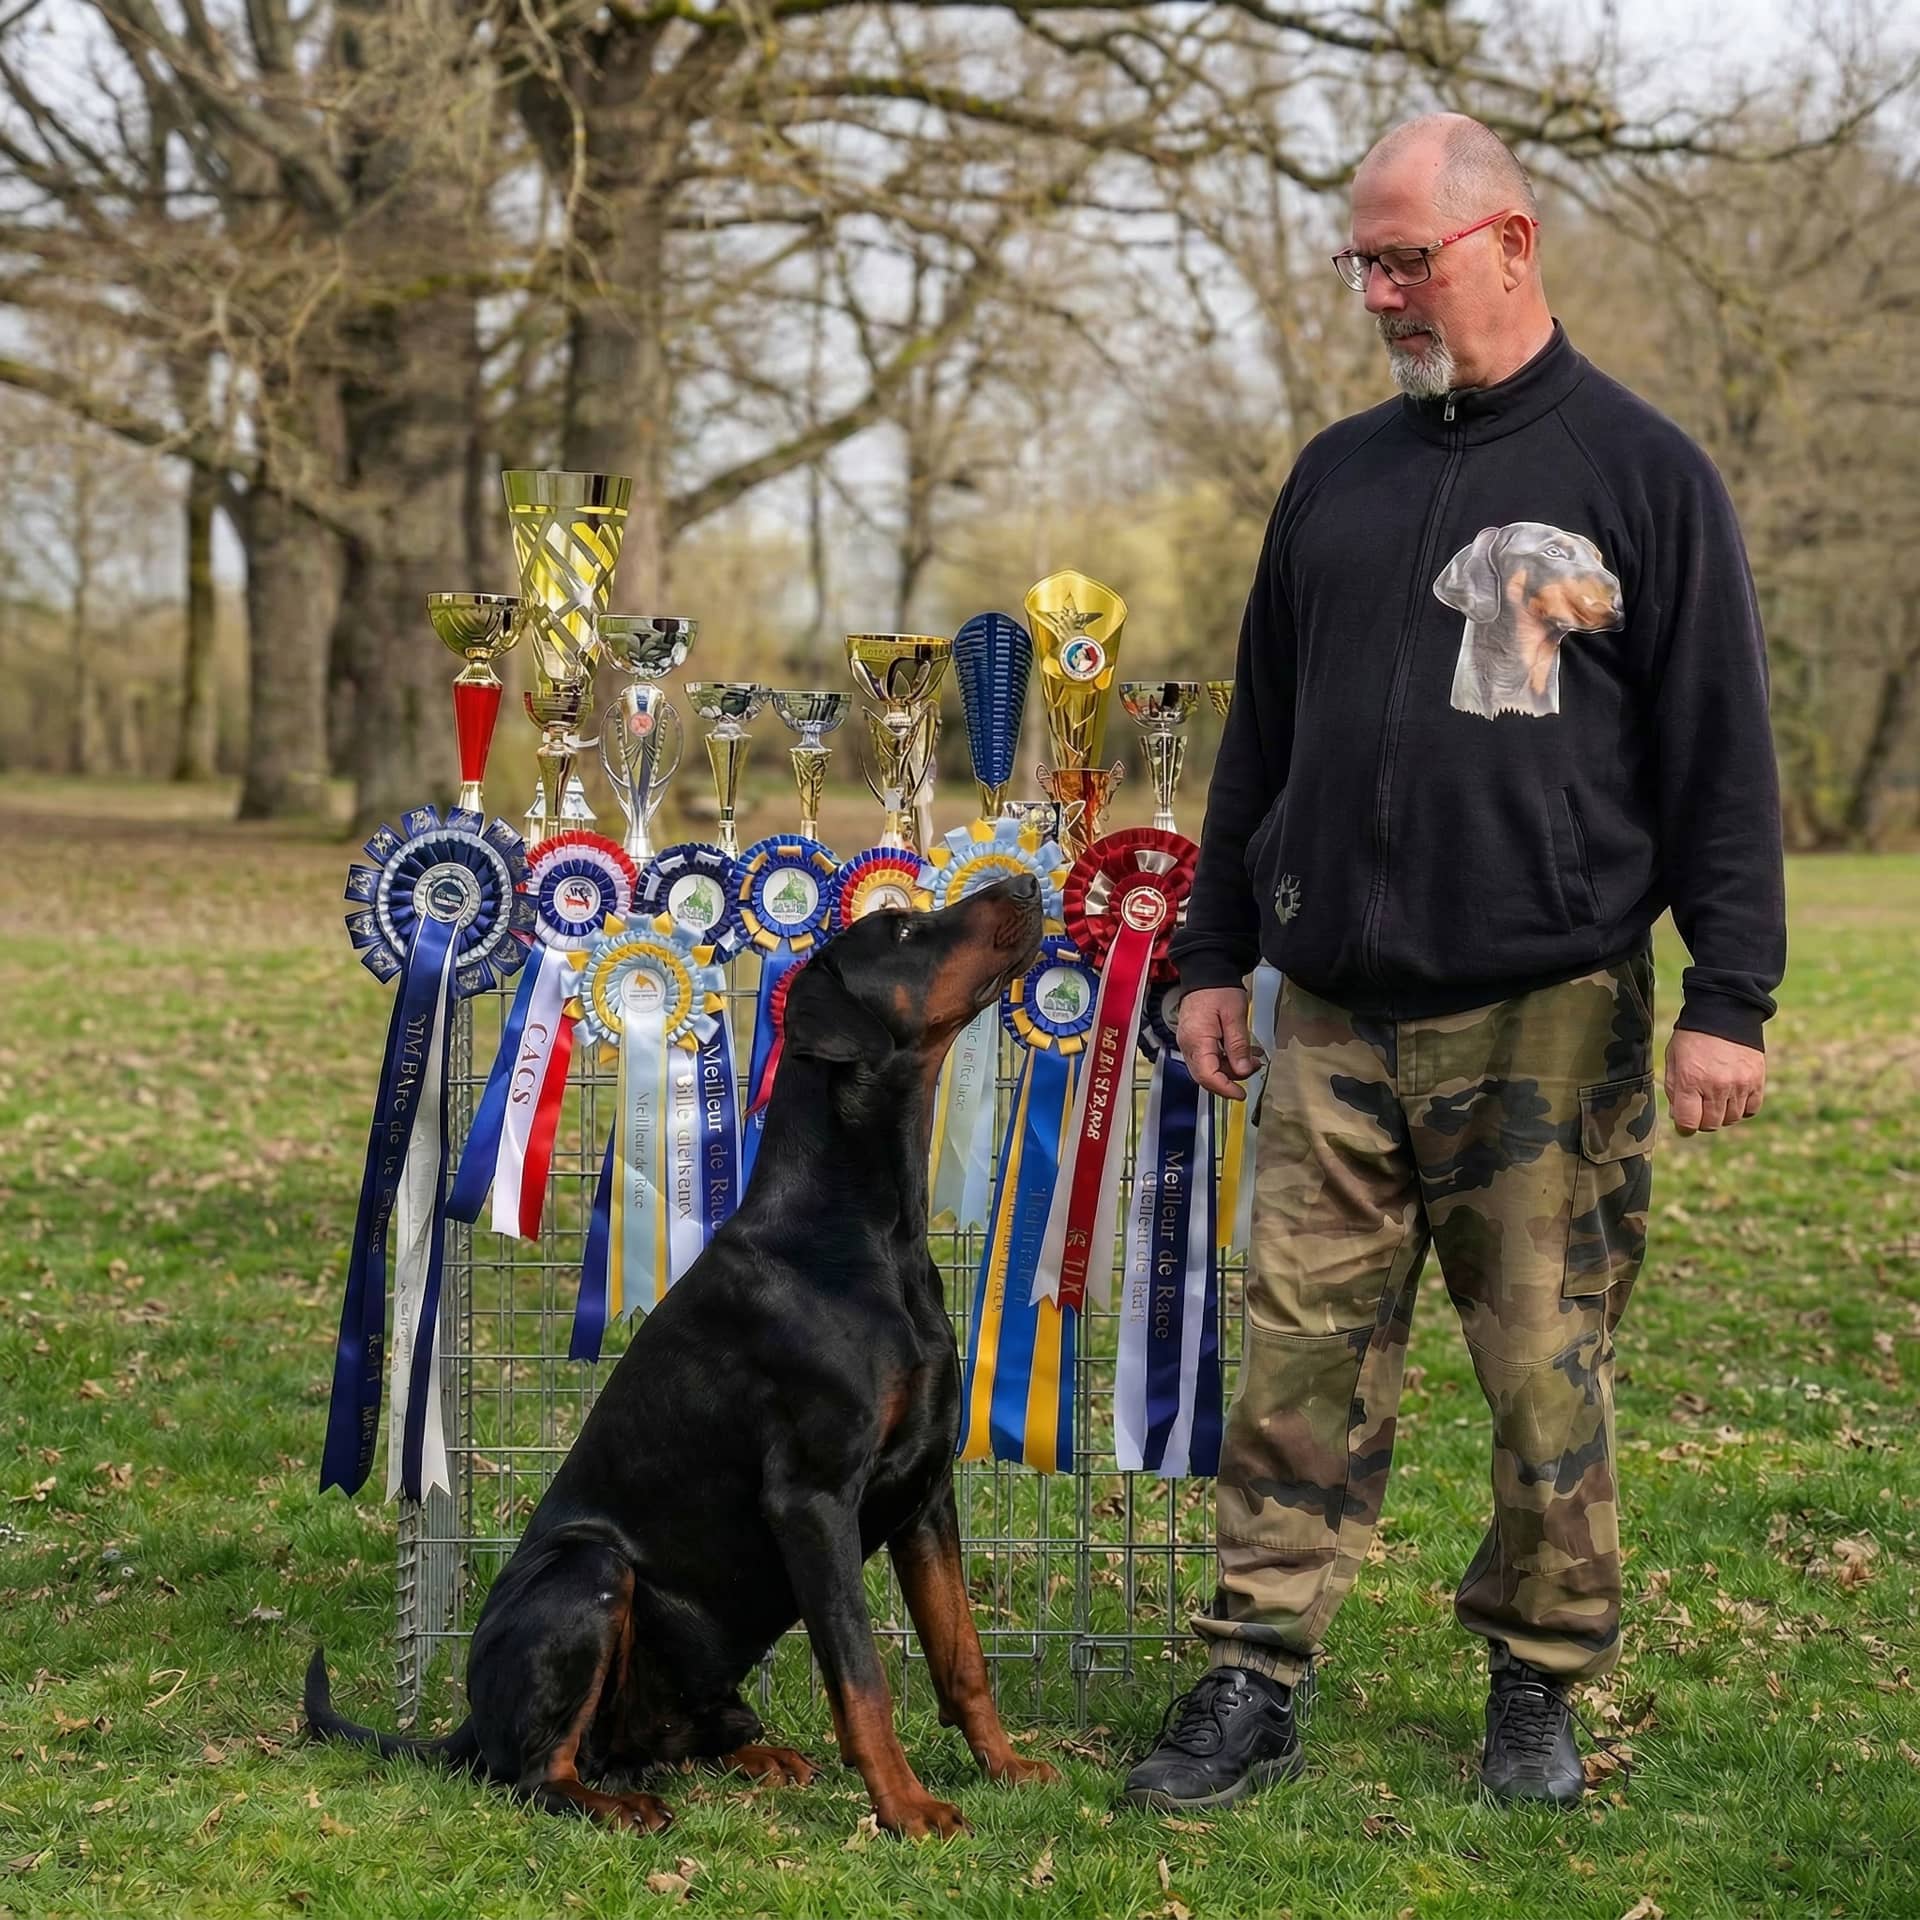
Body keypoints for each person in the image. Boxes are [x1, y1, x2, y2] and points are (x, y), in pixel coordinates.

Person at [1121, 112, 1785, 1812]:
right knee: (1295, 1360)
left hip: (1548, 1014)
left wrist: (1731, 1001)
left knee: (1544, 1369)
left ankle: (1537, 1688)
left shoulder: (1644, 474)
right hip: (1329, 1005)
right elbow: (1260, 733)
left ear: (1513, 239)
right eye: (1362, 260)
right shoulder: (1337, 472)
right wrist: (1210, 951)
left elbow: (1722, 758)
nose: (1378, 293)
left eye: (1405, 257)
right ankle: (1253, 1676)